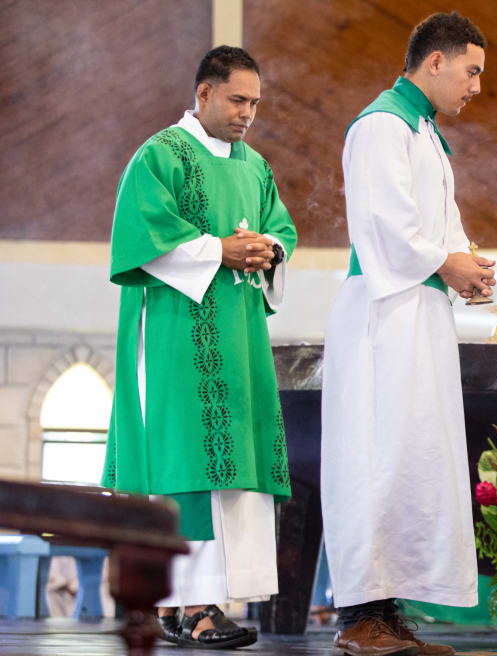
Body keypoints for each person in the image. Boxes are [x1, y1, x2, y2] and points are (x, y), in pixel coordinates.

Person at [103, 45, 297, 650]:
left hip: (238, 338)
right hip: (174, 336)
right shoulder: (159, 156)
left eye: (256, 104)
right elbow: (145, 235)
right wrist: (221, 250)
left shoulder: (254, 166)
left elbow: (281, 228)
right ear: (205, 93)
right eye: (238, 100)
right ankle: (190, 605)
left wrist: (269, 250)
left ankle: (199, 602)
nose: (248, 114)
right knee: (186, 463)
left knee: (232, 467)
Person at [320, 12, 493, 656]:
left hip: (417, 313)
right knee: (373, 458)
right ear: (437, 61)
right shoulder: (380, 126)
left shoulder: (426, 134)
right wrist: (447, 262)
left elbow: (441, 228)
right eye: (472, 71)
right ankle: (357, 617)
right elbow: (385, 221)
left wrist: (466, 268)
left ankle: (387, 614)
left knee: (410, 461)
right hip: (380, 314)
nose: (476, 86)